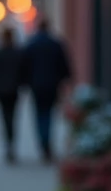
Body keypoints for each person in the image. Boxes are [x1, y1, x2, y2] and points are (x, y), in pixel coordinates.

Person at [19, 17, 72, 161]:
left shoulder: (31, 44)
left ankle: (43, 143)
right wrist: (66, 80)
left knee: (39, 114)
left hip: (36, 86)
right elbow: (64, 65)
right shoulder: (55, 44)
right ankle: (46, 143)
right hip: (52, 85)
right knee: (49, 114)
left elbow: (24, 67)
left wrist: (25, 83)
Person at [0, 27, 23, 162]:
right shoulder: (17, 53)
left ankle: (9, 144)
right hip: (13, 90)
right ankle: (11, 143)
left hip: (2, 90)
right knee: (12, 117)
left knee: (5, 118)